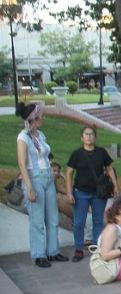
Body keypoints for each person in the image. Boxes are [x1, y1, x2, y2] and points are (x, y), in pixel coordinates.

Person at [15, 102, 68, 267]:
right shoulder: (23, 137)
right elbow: (22, 164)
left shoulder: (41, 135)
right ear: (34, 118)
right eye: (41, 116)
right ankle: (39, 254)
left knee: (52, 217)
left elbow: (46, 157)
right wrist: (29, 187)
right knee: (37, 219)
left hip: (47, 178)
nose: (43, 118)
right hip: (34, 178)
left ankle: (53, 251)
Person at [66, 126, 119, 262]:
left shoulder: (101, 152)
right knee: (79, 222)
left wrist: (115, 185)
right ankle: (79, 248)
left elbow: (110, 169)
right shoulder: (76, 154)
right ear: (81, 137)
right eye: (86, 134)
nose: (89, 136)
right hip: (80, 192)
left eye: (91, 134)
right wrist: (69, 192)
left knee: (98, 221)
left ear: (95, 137)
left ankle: (97, 247)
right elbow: (69, 173)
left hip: (98, 193)